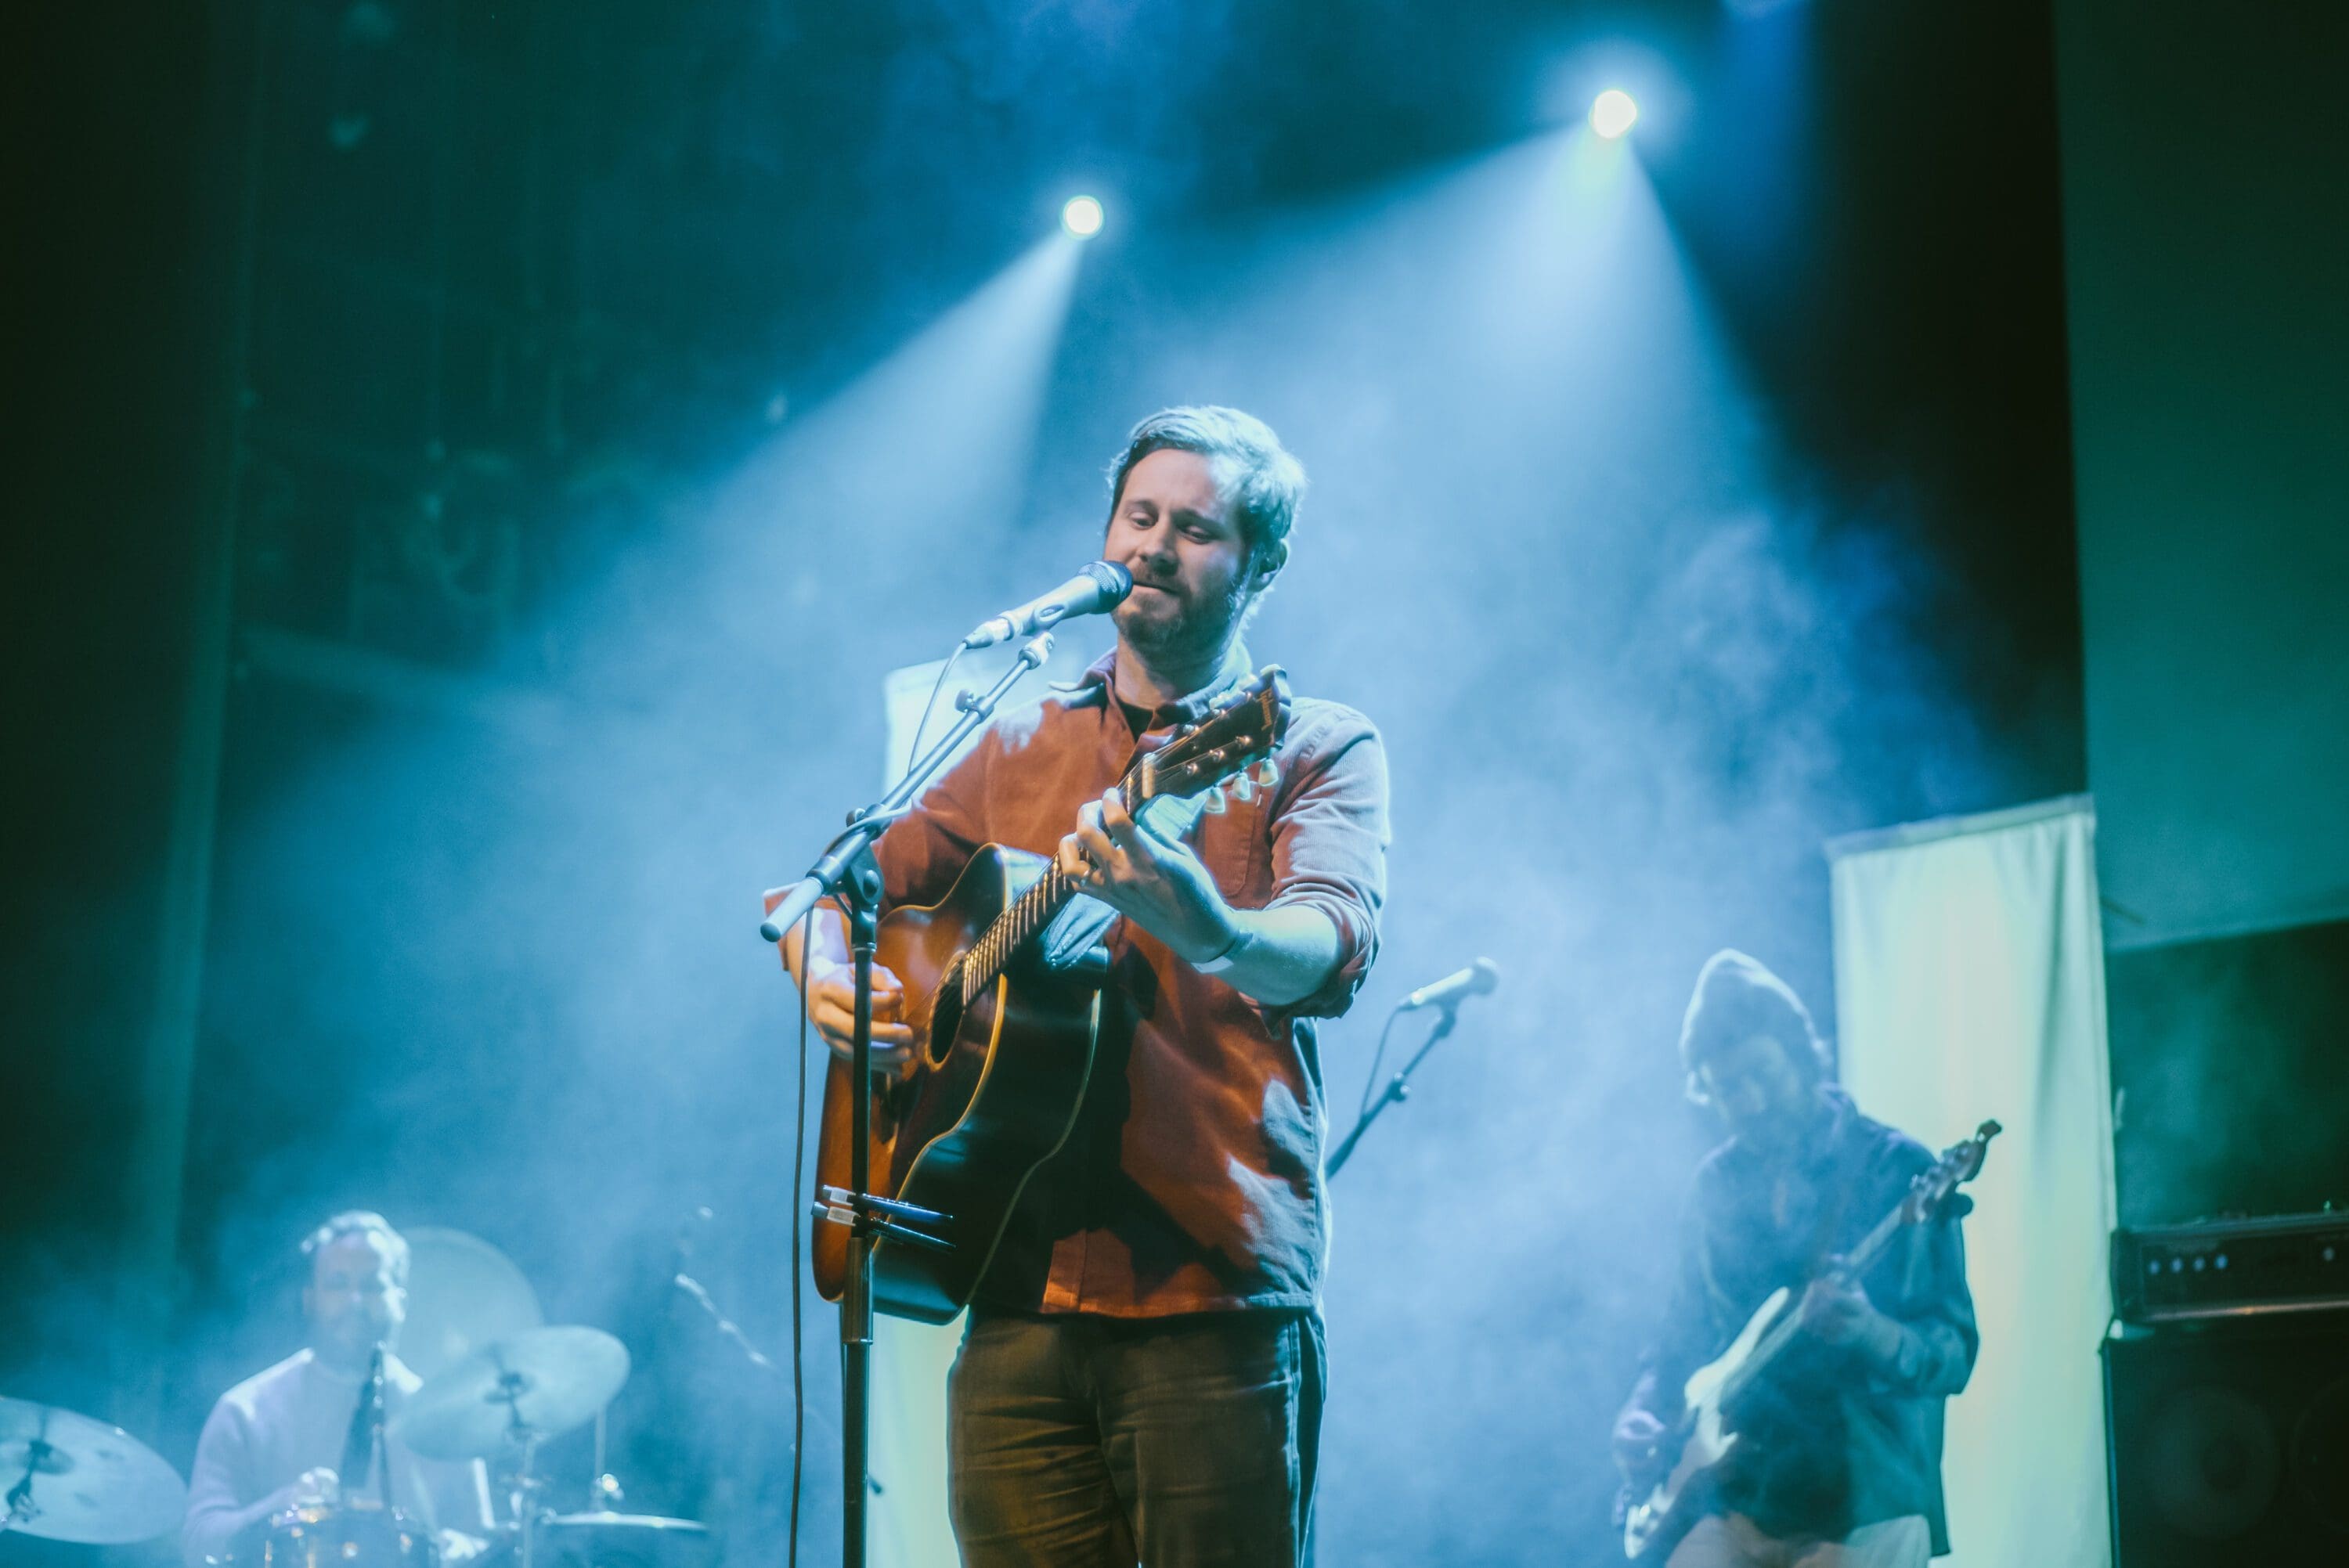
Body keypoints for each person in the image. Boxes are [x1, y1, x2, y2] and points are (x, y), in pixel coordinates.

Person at [783, 406, 1388, 1566]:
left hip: (1206, 1296)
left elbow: (1332, 938)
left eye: (1197, 527)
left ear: (1261, 565)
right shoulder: (1009, 741)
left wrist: (1211, 928)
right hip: (1012, 1287)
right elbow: (824, 889)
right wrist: (824, 970)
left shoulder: (1309, 741)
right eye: (1139, 514)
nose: (1156, 543)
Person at [1612, 952, 1977, 1568]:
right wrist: (1642, 1409)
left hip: (1866, 1493)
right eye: (1728, 1087)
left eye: (1763, 1073)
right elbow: (1680, 1334)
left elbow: (1952, 1352)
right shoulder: (1717, 1185)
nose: (1750, 1100)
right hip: (1743, 1490)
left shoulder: (1892, 1168)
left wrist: (1871, 1332)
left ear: (1801, 1055)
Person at [182, 1211, 493, 1566]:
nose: (355, 1301)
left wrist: (454, 1551)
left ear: (402, 1304)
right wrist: (282, 1505)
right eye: (338, 1284)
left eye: (373, 1286)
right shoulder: (246, 1410)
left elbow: (481, 1543)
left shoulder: (451, 1420)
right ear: (309, 1299)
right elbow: (199, 1543)